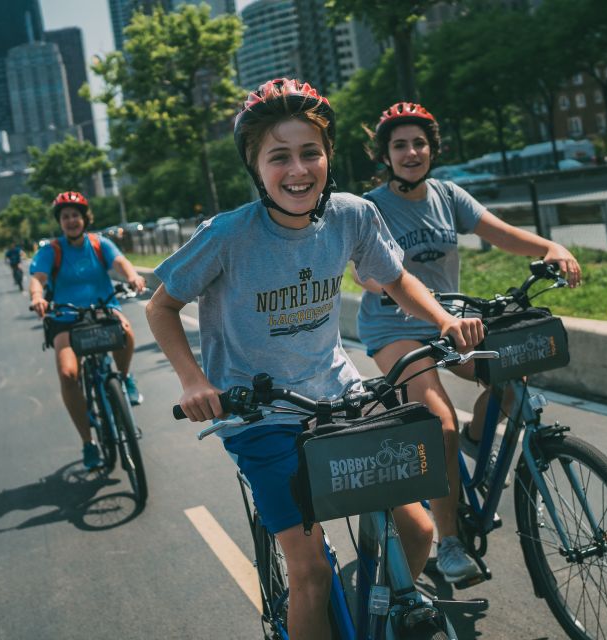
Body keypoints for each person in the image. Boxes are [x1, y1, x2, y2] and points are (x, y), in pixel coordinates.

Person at [145, 79, 483, 640]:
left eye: (311, 153)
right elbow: (162, 307)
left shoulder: (351, 215)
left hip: (339, 394)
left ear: (328, 157)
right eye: (280, 157)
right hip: (261, 415)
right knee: (311, 573)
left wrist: (443, 320)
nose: (298, 169)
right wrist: (193, 380)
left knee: (420, 531)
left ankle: (378, 613)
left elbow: (396, 279)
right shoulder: (228, 235)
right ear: (256, 167)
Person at [354, 101, 583, 584]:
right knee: (438, 424)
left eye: (419, 143)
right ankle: (450, 540)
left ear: (432, 149)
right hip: (393, 328)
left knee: (510, 381)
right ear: (385, 155)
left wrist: (549, 247)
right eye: (400, 145)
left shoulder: (447, 196)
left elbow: (500, 233)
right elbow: (364, 272)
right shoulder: (372, 207)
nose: (411, 152)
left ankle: (479, 439)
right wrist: (390, 285)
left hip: (451, 320)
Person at [29, 191, 148, 471]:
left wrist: (133, 277)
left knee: (126, 332)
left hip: (102, 308)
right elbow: (38, 278)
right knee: (68, 374)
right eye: (65, 216)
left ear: (85, 218)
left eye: (75, 215)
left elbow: (120, 263)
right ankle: (88, 442)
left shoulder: (99, 244)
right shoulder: (51, 251)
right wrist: (37, 296)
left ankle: (125, 378)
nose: (71, 220)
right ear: (60, 222)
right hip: (65, 317)